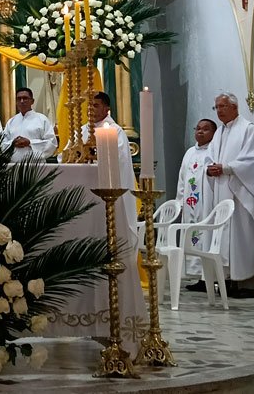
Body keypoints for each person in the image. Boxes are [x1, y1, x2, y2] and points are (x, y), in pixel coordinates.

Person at [79, 91, 146, 356]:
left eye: (96, 104)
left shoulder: (115, 132)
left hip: (108, 198)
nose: (92, 109)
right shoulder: (82, 130)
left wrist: (95, 154)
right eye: (89, 105)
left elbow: (115, 162)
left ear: (107, 107)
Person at [208, 92, 254, 299]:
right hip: (222, 193)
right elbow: (210, 157)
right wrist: (209, 169)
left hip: (242, 194)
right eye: (216, 107)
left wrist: (226, 168)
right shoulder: (219, 133)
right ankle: (228, 281)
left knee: (242, 237)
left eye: (223, 106)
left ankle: (246, 284)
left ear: (235, 107)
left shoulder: (248, 130)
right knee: (224, 237)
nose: (219, 110)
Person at [177, 119, 217, 283]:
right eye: (198, 128)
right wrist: (180, 201)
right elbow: (182, 178)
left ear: (214, 133)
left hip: (207, 205)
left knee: (205, 236)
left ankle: (208, 277)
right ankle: (197, 276)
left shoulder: (215, 152)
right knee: (192, 236)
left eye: (206, 129)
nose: (200, 132)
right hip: (190, 204)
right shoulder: (190, 152)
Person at [1, 88, 56, 163]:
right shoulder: (11, 121)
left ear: (32, 101)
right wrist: (13, 143)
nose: (22, 101)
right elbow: (2, 144)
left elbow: (51, 143)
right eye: (19, 99)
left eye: (25, 98)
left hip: (36, 166)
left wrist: (30, 142)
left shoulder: (42, 119)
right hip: (14, 165)